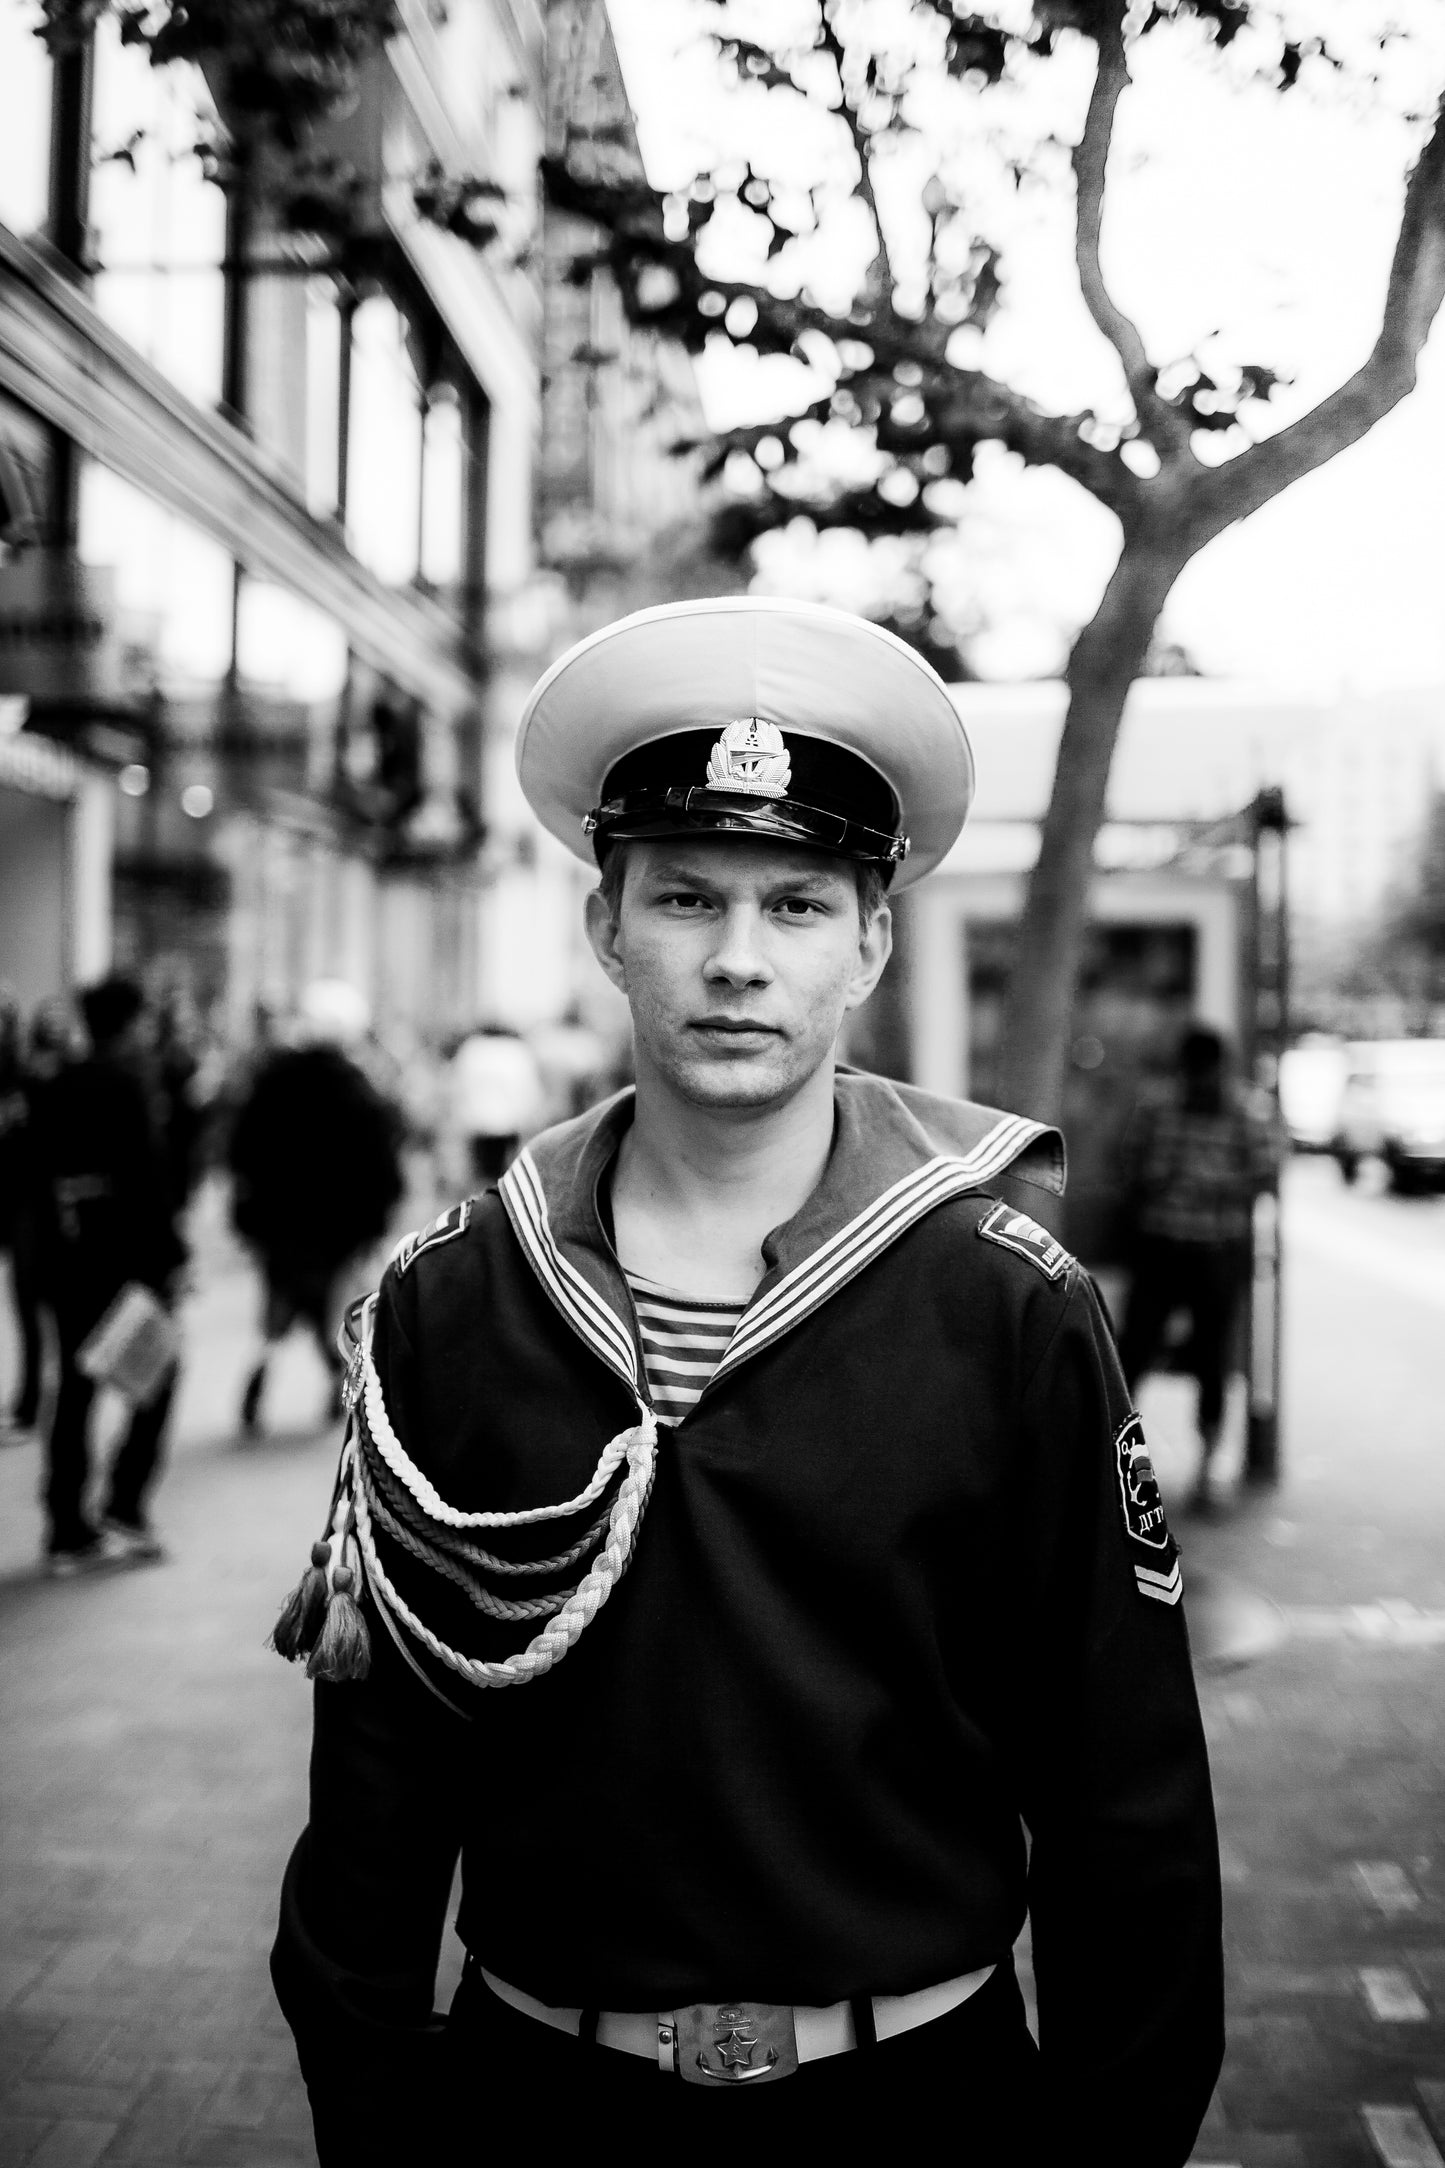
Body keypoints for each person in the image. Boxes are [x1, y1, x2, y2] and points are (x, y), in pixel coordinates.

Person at [269, 598, 1224, 2166]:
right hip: (536, 2106)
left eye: (795, 906)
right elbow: (375, 1797)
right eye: (686, 898)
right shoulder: (457, 1299)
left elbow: (1125, 1799)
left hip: (919, 2108)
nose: (735, 962)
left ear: (870, 941)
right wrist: (379, 2117)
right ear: (605, 926)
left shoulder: (1005, 1303)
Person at [27, 976, 186, 1572]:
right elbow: (147, 1178)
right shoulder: (128, 1083)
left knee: (73, 1387)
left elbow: (33, 1174)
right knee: (159, 1372)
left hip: (66, 1260)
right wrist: (170, 1257)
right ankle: (123, 1502)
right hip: (124, 1262)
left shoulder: (55, 1082)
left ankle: (66, 1525)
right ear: (129, 1022)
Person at [1117, 1023, 1284, 1512]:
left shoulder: (1249, 1115)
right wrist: (1198, 1182)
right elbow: (1132, 1171)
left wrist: (1187, 1182)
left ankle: (1209, 1467)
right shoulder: (1155, 1112)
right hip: (1161, 1248)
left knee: (1212, 1359)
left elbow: (1265, 1175)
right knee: (1133, 1352)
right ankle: (1115, 1465)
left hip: (1216, 1252)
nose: (1199, 1083)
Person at [227, 982, 404, 1435]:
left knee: (277, 1309)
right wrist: (378, 1221)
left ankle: (259, 1373)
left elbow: (242, 1147)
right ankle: (339, 1387)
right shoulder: (358, 1088)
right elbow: (379, 1163)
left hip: (278, 1223)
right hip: (338, 1227)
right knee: (336, 1311)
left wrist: (246, 1214)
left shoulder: (272, 1080)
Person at [447, 1020, 545, 1186]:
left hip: (478, 1122)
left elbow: (459, 1087)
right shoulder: (516, 1051)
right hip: (508, 1123)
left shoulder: (472, 1050)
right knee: (505, 1172)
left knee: (481, 1172)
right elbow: (527, 1089)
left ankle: (481, 1202)